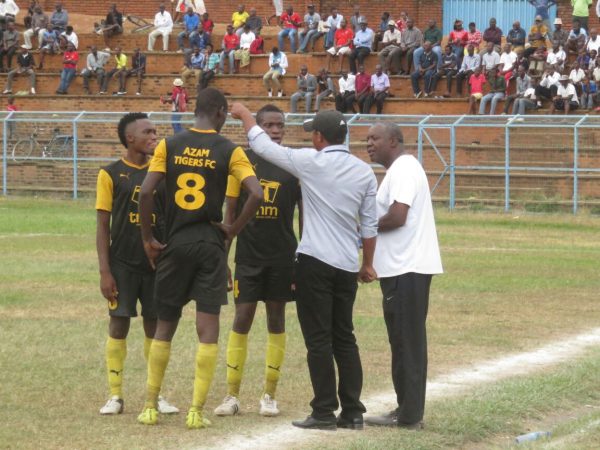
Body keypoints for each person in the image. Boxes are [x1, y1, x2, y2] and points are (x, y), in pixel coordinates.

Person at [230, 104, 378, 432]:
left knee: (318, 339)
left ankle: (324, 411)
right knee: (345, 337)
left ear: (319, 137)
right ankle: (353, 412)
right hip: (345, 264)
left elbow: (263, 146)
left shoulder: (311, 162)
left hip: (314, 262)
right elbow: (369, 226)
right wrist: (367, 264)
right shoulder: (363, 171)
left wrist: (244, 115)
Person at [137, 87, 263, 429]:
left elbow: (146, 191)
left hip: (174, 243)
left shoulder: (169, 144)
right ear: (221, 112)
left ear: (196, 111)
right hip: (209, 244)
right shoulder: (230, 150)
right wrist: (232, 229)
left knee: (165, 325)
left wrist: (149, 238)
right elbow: (256, 192)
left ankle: (150, 405)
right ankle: (196, 411)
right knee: (207, 329)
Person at [214, 104, 301, 418]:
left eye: (280, 125)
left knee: (276, 320)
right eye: (268, 125)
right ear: (254, 128)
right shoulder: (241, 163)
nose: (275, 130)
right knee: (242, 319)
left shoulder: (293, 164)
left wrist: (301, 258)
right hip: (248, 258)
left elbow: (304, 218)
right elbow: (230, 215)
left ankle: (269, 394)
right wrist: (223, 260)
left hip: (282, 257)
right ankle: (232, 395)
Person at [95, 112, 179, 417]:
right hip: (123, 263)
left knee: (155, 326)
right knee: (119, 323)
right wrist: (105, 271)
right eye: (148, 132)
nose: (154, 136)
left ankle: (154, 395)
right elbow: (103, 226)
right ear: (130, 138)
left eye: (156, 131)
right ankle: (115, 395)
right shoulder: (110, 173)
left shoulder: (163, 173)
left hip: (157, 264)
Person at [363, 122, 442, 430]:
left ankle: (410, 415)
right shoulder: (397, 170)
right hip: (401, 268)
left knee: (407, 342)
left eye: (375, 138)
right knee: (402, 341)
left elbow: (398, 215)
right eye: (367, 138)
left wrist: (364, 232)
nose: (369, 143)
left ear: (393, 141)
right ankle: (405, 410)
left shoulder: (405, 168)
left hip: (408, 269)